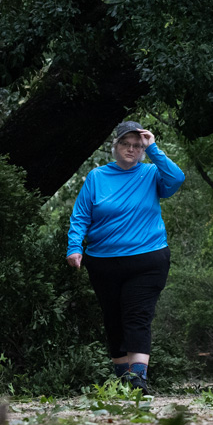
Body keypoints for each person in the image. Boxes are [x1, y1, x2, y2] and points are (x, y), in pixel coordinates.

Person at [66, 120, 185, 391]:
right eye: (125, 144)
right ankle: (123, 379)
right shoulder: (97, 177)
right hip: (103, 262)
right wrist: (74, 247)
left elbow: (177, 178)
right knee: (113, 318)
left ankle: (138, 378)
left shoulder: (152, 174)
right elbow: (81, 216)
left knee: (137, 316)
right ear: (115, 146)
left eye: (137, 145)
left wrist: (153, 146)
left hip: (147, 259)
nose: (131, 149)